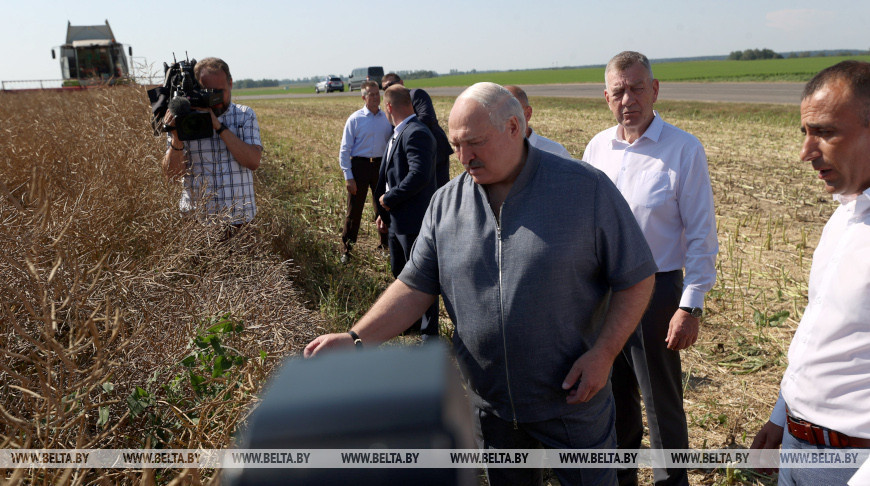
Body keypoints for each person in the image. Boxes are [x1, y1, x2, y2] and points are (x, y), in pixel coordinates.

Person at [306, 82, 658, 486]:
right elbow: (416, 285)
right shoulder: (446, 204)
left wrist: (604, 353)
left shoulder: (585, 190)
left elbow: (636, 276)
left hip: (573, 402)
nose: (464, 157)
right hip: (492, 410)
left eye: (474, 143)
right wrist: (355, 338)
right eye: (456, 145)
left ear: (514, 127)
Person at [582, 51, 718, 486]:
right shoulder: (597, 148)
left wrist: (690, 305)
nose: (629, 99)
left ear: (655, 90)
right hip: (604, 291)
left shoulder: (682, 149)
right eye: (619, 91)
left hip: (657, 291)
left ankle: (671, 482)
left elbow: (701, 233)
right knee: (612, 397)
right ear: (606, 97)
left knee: (661, 403)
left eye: (638, 88)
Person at [750, 60, 870, 486]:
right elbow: (822, 333)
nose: (806, 152)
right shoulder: (844, 217)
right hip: (800, 449)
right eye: (805, 132)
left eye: (825, 132)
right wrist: (782, 417)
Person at [162, 57, 263, 227]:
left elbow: (253, 161)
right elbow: (172, 176)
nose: (215, 98)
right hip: (197, 223)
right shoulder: (183, 117)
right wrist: (177, 137)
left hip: (239, 221)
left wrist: (218, 126)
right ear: (197, 89)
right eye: (208, 91)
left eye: (219, 91)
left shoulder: (245, 115)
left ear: (230, 83)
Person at [374, 85, 439, 337]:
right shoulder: (399, 133)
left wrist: (389, 199)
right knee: (401, 275)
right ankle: (409, 324)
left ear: (388, 107)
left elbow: (419, 175)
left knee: (421, 280)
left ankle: (428, 334)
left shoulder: (416, 133)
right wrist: (385, 212)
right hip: (398, 220)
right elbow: (393, 176)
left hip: (414, 222)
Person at [338, 80, 393, 263]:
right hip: (359, 167)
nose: (376, 97)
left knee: (383, 207)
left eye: (378, 93)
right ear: (363, 97)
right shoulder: (355, 119)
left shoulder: (387, 119)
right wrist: (349, 177)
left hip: (380, 167)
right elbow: (345, 150)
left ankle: (385, 246)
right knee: (354, 211)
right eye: (372, 94)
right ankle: (347, 249)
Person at [381, 73, 454, 186]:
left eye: (390, 84)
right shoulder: (391, 106)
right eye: (385, 88)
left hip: (436, 150)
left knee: (441, 188)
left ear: (401, 82)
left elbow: (427, 117)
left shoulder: (416, 94)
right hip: (414, 154)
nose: (388, 88)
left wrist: (406, 133)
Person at [505, 85, 572, 158]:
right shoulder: (492, 153)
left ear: (527, 114)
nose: (503, 117)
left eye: (511, 110)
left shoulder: (556, 152)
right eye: (497, 112)